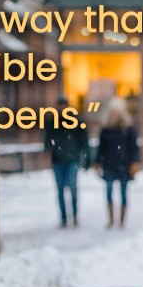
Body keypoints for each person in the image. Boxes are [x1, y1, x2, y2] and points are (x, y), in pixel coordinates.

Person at [94, 98, 140, 228]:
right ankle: (110, 218)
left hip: (124, 165)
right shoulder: (106, 129)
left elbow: (134, 147)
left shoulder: (128, 129)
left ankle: (122, 219)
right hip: (109, 165)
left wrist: (134, 162)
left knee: (124, 192)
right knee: (108, 192)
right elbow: (101, 148)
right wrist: (97, 162)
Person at [43, 96, 88, 228]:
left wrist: (85, 156)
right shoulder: (53, 122)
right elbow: (48, 139)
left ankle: (74, 216)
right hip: (58, 160)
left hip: (72, 159)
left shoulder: (76, 120)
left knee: (72, 189)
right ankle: (64, 217)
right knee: (61, 190)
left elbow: (83, 139)